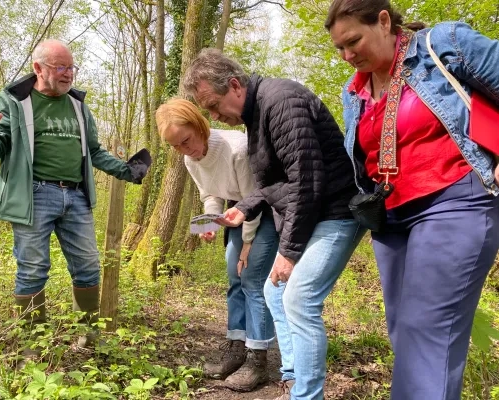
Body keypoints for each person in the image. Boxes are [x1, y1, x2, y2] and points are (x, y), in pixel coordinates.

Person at [325, 1, 499, 399]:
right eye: (339, 48)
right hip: (392, 217)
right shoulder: (354, 90)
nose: (348, 55)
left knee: (427, 330)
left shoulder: (444, 44)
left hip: (455, 199)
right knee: (405, 332)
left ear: (383, 21)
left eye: (353, 41)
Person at [183, 49, 365, 400]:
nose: (213, 115)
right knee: (275, 291)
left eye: (213, 104)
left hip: (336, 212)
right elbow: (274, 183)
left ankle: (306, 395)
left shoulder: (281, 102)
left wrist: (289, 251)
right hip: (314, 211)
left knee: (299, 297)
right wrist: (245, 208)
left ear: (235, 85)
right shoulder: (257, 113)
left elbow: (306, 180)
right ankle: (294, 378)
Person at [0, 39, 151, 365]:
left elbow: (94, 151)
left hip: (76, 195)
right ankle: (31, 348)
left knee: (89, 266)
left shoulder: (78, 105)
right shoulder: (13, 102)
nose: (68, 74)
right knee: (34, 269)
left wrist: (127, 170)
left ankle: (89, 337)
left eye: (71, 67)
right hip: (33, 195)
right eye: (60, 67)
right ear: (38, 68)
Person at [155, 98, 279, 391]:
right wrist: (210, 221)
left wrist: (248, 244)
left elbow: (254, 198)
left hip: (265, 207)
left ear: (200, 126)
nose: (186, 150)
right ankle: (236, 347)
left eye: (186, 140)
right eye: (176, 146)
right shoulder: (190, 160)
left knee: (252, 277)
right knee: (234, 277)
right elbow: (211, 194)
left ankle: (257, 359)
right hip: (236, 210)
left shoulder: (235, 149)